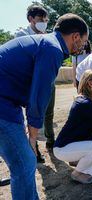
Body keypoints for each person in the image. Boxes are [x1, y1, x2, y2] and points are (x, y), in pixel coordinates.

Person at [0, 13, 89, 199]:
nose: (83, 46)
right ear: (75, 36)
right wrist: (33, 137)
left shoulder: (46, 42)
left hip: (9, 102)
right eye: (83, 41)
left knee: (23, 162)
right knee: (25, 164)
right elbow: (39, 96)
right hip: (3, 103)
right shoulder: (52, 49)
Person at [15, 4, 51, 163]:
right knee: (28, 116)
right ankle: (32, 150)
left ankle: (45, 143)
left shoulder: (46, 36)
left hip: (42, 80)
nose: (43, 22)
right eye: (40, 19)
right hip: (26, 82)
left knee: (44, 114)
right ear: (30, 19)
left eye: (45, 20)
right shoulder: (21, 35)